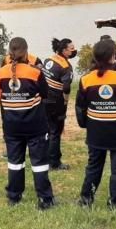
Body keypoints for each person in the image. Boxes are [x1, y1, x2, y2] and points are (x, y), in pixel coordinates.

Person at [76, 40, 116, 210]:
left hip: (96, 130)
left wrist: (86, 124)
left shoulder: (86, 79)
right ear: (112, 57)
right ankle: (115, 204)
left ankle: (86, 200)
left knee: (94, 166)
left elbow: (81, 107)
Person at [0, 37, 56, 209]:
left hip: (11, 124)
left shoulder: (1, 72)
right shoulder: (34, 72)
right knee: (39, 163)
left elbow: (0, 95)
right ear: (26, 51)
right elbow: (45, 94)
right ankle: (45, 199)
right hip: (35, 125)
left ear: (9, 51)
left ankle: (14, 196)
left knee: (15, 162)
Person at [41, 38, 76, 170]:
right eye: (71, 48)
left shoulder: (49, 60)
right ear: (64, 50)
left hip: (44, 99)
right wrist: (66, 100)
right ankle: (54, 162)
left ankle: (44, 158)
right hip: (56, 102)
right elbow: (66, 88)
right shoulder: (66, 67)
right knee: (56, 132)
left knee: (47, 130)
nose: (74, 51)